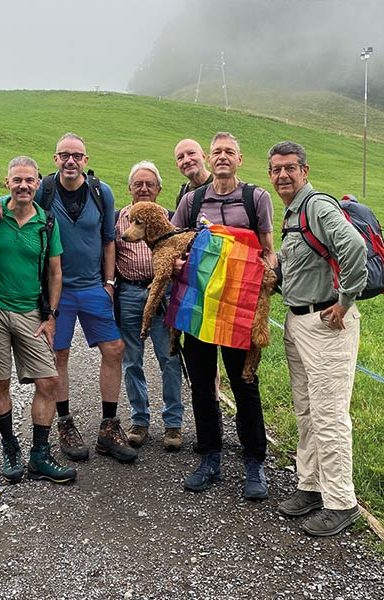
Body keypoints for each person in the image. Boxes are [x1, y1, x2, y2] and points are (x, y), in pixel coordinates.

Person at [268, 140, 366, 536]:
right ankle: (310, 485)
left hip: (328, 324)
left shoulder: (317, 206)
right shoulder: (293, 213)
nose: (283, 175)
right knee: (306, 410)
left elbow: (354, 246)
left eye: (290, 168)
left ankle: (342, 502)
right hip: (299, 322)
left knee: (328, 414)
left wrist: (344, 302)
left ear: (305, 171)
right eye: (276, 169)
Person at [172, 132, 276, 500]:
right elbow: (175, 246)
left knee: (244, 384)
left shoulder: (255, 198)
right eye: (216, 152)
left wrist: (266, 281)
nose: (222, 157)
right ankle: (210, 457)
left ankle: (254, 460)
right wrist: (178, 263)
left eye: (229, 151)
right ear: (208, 157)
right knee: (201, 385)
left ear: (240, 158)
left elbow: (268, 250)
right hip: (199, 308)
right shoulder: (191, 200)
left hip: (239, 310)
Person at [39, 133, 137, 464]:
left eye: (76, 155)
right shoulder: (45, 190)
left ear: (85, 159)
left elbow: (108, 239)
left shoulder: (101, 192)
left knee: (114, 349)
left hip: (94, 287)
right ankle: (65, 424)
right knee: (60, 354)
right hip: (58, 290)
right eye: (64, 155)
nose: (70, 161)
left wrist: (109, 283)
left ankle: (109, 428)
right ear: (55, 159)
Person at [0, 156, 76, 485]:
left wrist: (51, 316)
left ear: (38, 184)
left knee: (49, 382)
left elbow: (55, 272)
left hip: (30, 312)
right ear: (7, 182)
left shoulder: (46, 223)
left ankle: (39, 454)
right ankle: (10, 448)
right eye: (17, 180)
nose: (23, 186)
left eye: (29, 181)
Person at [114, 161, 183, 450]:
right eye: (138, 184)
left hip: (164, 294)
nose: (143, 188)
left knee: (169, 358)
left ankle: (173, 425)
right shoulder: (119, 218)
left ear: (159, 189)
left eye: (149, 184)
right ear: (130, 188)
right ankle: (139, 421)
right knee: (132, 360)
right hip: (130, 293)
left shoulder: (169, 218)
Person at [174, 138, 213, 209]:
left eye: (191, 153)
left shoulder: (222, 184)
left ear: (204, 156)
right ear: (177, 165)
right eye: (180, 157)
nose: (186, 160)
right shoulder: (182, 194)